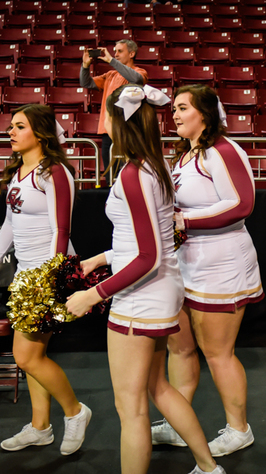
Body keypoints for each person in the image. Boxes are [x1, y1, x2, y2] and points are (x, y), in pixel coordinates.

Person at [65, 84, 225, 474]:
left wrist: (93, 295)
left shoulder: (136, 173)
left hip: (142, 295)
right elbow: (144, 240)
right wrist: (99, 259)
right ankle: (208, 467)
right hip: (159, 289)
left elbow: (148, 255)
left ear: (121, 124)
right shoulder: (154, 165)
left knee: (130, 407)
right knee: (158, 388)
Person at [151, 85, 262, 457]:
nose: (175, 114)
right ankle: (178, 422)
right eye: (175, 109)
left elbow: (241, 203)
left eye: (183, 108)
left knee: (218, 353)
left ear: (206, 114)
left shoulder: (224, 150)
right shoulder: (184, 155)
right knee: (180, 348)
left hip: (222, 262)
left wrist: (183, 220)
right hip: (188, 262)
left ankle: (238, 429)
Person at [0, 104, 92, 455]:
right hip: (26, 271)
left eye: (19, 126)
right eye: (10, 126)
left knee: (25, 356)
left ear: (40, 132)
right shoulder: (19, 169)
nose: (10, 132)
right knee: (34, 353)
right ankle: (41, 427)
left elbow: (62, 229)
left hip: (47, 271)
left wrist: (49, 277)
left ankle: (75, 412)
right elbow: (10, 221)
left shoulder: (55, 171)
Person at [79, 40, 148, 184]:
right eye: (114, 51)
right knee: (111, 177)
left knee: (129, 175)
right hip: (107, 130)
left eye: (119, 51)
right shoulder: (110, 75)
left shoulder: (140, 72)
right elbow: (86, 83)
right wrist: (85, 66)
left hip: (129, 130)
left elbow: (136, 79)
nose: (115, 54)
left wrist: (110, 60)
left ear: (132, 54)